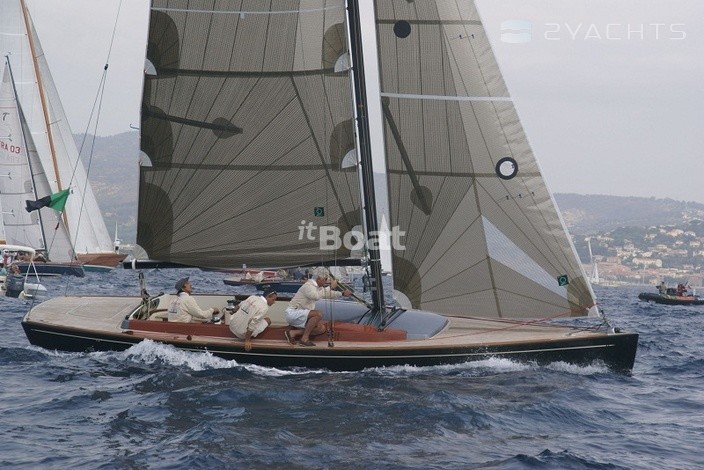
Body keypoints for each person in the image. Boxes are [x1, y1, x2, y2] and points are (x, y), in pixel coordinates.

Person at [284, 270, 351, 346]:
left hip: (301, 315)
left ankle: (293, 333)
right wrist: (330, 287)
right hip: (293, 313)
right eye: (325, 279)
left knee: (321, 329)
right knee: (318, 314)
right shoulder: (308, 286)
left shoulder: (318, 288)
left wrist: (342, 293)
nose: (326, 281)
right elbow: (315, 296)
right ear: (318, 278)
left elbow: (326, 294)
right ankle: (304, 339)